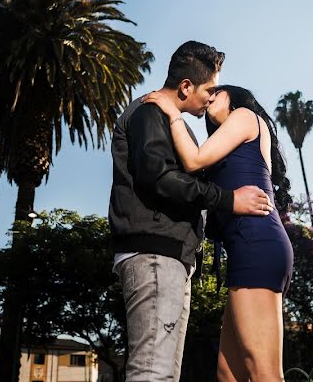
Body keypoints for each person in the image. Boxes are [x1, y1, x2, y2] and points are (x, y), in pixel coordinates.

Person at [110, 41, 274, 382]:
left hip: (170, 256)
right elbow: (160, 179)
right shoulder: (149, 112)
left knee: (164, 373)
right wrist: (229, 200)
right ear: (186, 87)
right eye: (209, 89)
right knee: (152, 372)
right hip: (155, 252)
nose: (211, 97)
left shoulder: (173, 123)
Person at [144, 84, 294, 382]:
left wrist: (172, 111)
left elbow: (194, 160)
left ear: (236, 98)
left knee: (264, 372)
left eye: (219, 91)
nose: (210, 96)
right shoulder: (228, 148)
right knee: (228, 374)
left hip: (257, 243)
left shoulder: (245, 115)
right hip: (248, 248)